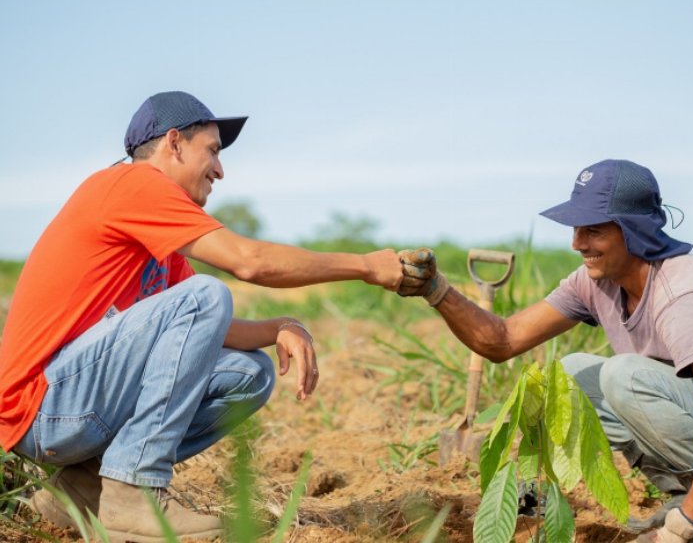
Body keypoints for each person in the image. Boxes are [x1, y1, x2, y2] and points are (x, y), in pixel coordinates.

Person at [0, 91, 403, 541]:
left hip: (75, 406)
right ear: (173, 143)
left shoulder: (160, 233)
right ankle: (133, 490)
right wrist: (366, 267)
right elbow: (249, 262)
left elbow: (201, 330)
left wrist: (281, 327)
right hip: (43, 408)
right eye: (211, 150)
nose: (220, 169)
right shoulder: (134, 186)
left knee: (250, 373)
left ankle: (80, 488)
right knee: (207, 292)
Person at [398, 159, 693, 542]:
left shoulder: (686, 297)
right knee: (571, 375)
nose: (576, 243)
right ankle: (683, 497)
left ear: (634, 231)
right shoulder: (595, 280)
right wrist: (437, 291)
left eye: (592, 231)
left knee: (623, 375)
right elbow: (503, 341)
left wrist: (673, 535)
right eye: (575, 229)